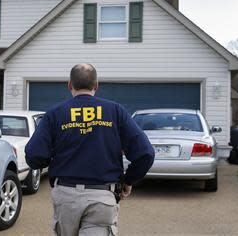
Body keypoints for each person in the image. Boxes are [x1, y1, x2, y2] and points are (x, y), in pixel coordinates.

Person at [25, 63, 155, 236]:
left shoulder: (55, 113)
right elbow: (146, 153)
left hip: (66, 196)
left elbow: (33, 155)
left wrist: (52, 162)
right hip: (102, 198)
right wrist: (128, 181)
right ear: (96, 85)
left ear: (70, 85)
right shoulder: (115, 111)